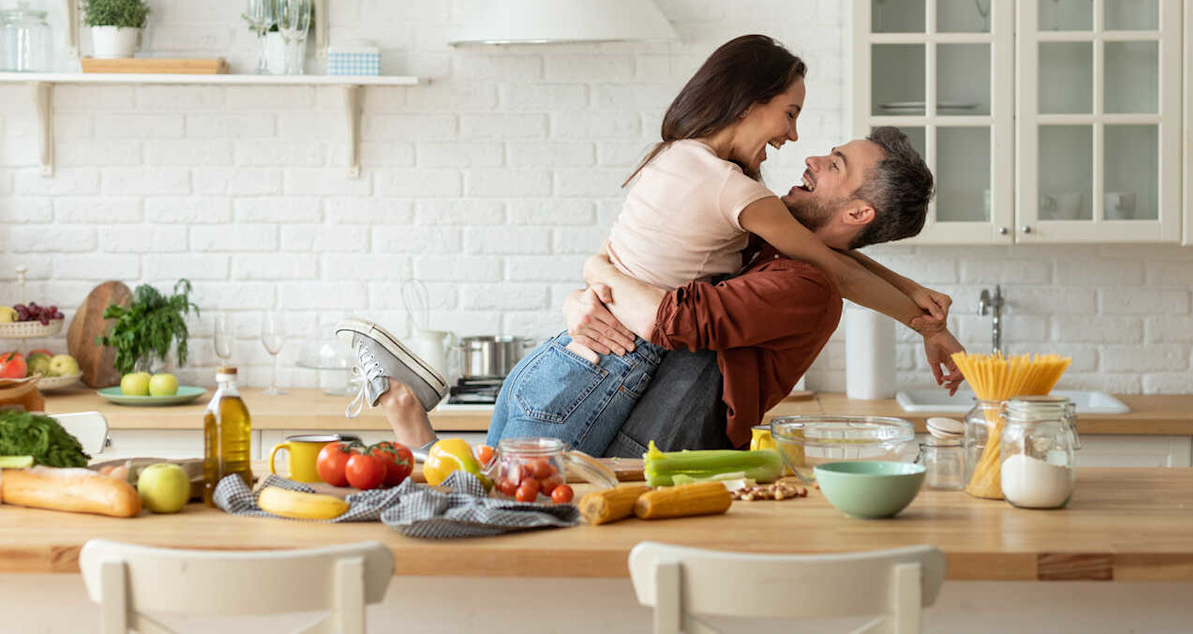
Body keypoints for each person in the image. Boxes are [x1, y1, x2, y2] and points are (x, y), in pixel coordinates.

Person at [338, 126, 963, 456]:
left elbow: (674, 317)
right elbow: (658, 274)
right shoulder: (770, 243)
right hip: (621, 407)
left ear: (856, 213)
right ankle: (410, 419)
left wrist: (601, 273)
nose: (810, 159)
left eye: (835, 165)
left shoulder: (804, 285)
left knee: (496, 508)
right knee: (491, 500)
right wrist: (590, 283)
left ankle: (409, 416)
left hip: (654, 446)